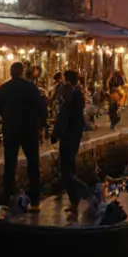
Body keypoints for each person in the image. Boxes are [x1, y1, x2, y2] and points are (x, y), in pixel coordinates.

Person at [0, 62, 48, 211]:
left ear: (11, 73)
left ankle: (6, 200)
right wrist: (42, 124)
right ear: (22, 72)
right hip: (29, 130)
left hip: (11, 130)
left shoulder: (3, 89)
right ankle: (35, 202)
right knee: (33, 164)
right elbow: (42, 107)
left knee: (10, 165)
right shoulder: (31, 88)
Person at [50, 70, 91, 214]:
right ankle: (75, 202)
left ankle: (86, 193)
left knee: (66, 169)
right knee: (69, 166)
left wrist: (55, 134)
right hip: (75, 133)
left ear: (67, 80)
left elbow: (64, 115)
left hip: (69, 134)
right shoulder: (78, 93)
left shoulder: (71, 94)